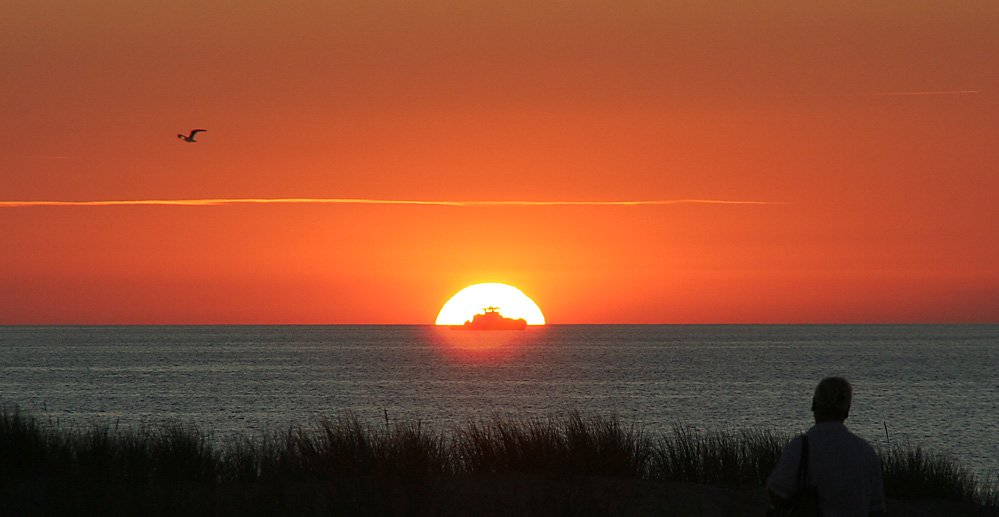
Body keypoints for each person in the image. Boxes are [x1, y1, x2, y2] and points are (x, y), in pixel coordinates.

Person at [767, 377, 886, 517]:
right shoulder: (866, 452)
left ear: (814, 405)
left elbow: (776, 492)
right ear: (847, 411)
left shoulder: (800, 447)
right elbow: (877, 509)